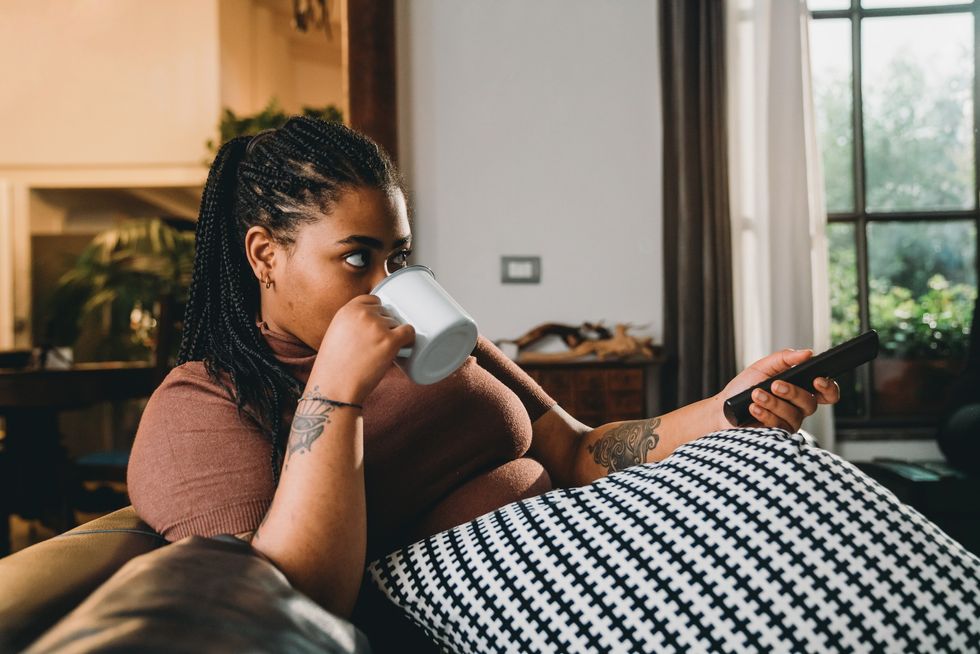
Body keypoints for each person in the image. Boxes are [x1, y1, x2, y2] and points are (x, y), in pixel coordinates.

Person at [127, 116, 840, 622]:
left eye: (397, 258)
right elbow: (282, 604)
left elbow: (578, 449)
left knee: (800, 495)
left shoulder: (431, 330)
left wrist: (727, 407)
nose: (385, 283)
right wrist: (336, 389)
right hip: (513, 610)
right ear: (264, 256)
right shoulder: (201, 406)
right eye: (356, 258)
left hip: (600, 538)